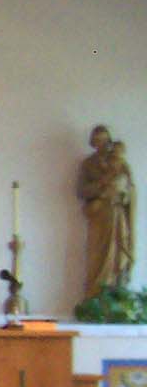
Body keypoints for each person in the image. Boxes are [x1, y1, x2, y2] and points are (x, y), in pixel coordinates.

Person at [78, 124, 135, 302]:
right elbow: (81, 190)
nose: (101, 145)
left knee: (117, 250)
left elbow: (130, 187)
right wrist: (102, 188)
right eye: (97, 141)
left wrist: (123, 194)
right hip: (99, 215)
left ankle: (116, 291)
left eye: (104, 140)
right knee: (98, 254)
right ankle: (95, 294)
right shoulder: (88, 164)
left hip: (117, 213)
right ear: (92, 143)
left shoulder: (120, 163)